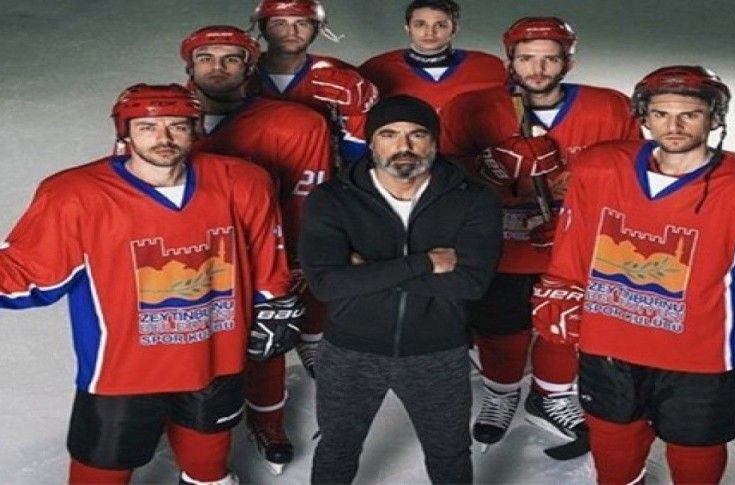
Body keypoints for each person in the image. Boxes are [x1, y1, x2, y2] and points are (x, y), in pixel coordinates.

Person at [0, 84, 299, 484]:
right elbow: (27, 272)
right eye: (147, 127)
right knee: (99, 476)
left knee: (208, 471)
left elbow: (266, 256)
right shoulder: (75, 195)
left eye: (178, 126)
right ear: (124, 132)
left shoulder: (242, 181)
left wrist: (274, 301)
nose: (164, 137)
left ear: (195, 129)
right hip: (122, 375)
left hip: (214, 361)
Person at [532, 65, 735, 484]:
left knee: (695, 452)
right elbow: (576, 238)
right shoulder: (601, 166)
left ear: (714, 117)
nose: (673, 126)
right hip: (608, 345)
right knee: (613, 445)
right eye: (661, 114)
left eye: (689, 114)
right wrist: (560, 286)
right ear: (644, 115)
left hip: (702, 359)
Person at [439, 16, 641, 455]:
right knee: (500, 324)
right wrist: (488, 168)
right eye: (527, 58)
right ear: (509, 61)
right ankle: (501, 391)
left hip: (573, 246)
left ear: (569, 62)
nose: (538, 69)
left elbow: (634, 179)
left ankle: (551, 395)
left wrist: (580, 222)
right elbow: (441, 176)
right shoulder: (470, 107)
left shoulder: (610, 108)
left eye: (550, 59)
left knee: (564, 323)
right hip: (499, 244)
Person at [299, 95, 502, 484]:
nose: (403, 146)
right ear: (371, 143)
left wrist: (367, 274)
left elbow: (470, 284)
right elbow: (326, 284)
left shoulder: (474, 198)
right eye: (389, 134)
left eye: (417, 134)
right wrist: (423, 263)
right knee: (337, 450)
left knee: (449, 454)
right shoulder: (333, 198)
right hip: (350, 351)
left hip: (437, 351)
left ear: (435, 141)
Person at [180, 24, 332, 474]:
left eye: (231, 58)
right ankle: (189, 429)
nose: (218, 67)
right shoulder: (161, 119)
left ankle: (268, 422)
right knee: (185, 344)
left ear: (250, 67)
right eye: (206, 58)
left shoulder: (296, 123)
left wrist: (296, 261)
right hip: (184, 255)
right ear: (189, 66)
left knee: (266, 339)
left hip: (261, 252)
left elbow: (307, 197)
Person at [248, 0, 378, 164]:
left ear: (316, 29)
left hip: (319, 172)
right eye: (279, 23)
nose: (291, 31)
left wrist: (357, 113)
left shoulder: (342, 74)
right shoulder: (237, 73)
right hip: (246, 172)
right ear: (263, 28)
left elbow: (358, 155)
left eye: (302, 23)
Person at [359, 0, 506, 114]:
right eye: (420, 24)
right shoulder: (376, 68)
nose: (430, 32)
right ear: (408, 29)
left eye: (440, 25)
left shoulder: (490, 67)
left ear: (454, 30)